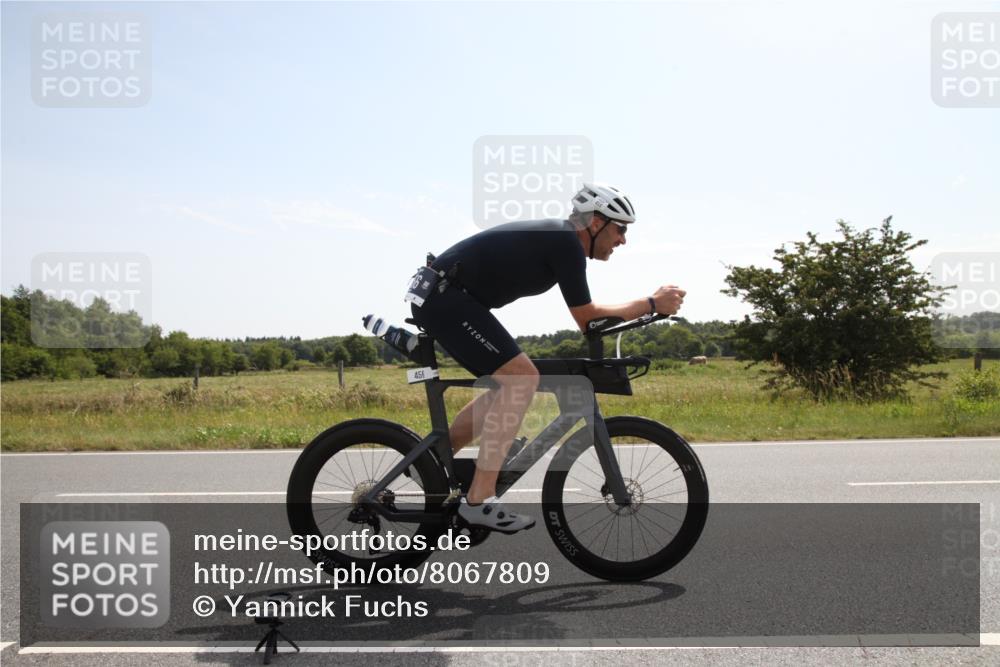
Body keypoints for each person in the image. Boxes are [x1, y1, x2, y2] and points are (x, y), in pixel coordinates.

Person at [409, 183, 686, 533]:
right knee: (522, 379)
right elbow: (587, 318)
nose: (623, 240)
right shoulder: (566, 241)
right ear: (597, 222)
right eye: (621, 229)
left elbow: (591, 320)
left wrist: (646, 310)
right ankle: (478, 501)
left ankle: (430, 461)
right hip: (445, 298)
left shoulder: (563, 240)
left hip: (443, 296)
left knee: (509, 383)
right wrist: (650, 304)